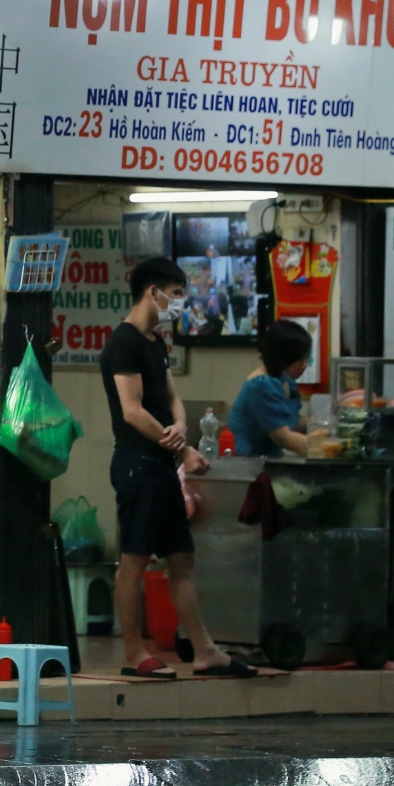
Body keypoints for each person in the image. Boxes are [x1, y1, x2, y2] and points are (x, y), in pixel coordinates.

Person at [99, 256, 257, 680]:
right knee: (133, 560)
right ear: (154, 292)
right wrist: (184, 448)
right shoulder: (124, 343)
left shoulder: (155, 343)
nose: (182, 303)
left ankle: (204, 650)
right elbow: (132, 412)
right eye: (178, 294)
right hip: (137, 464)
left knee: (181, 560)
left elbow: (170, 397)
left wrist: (182, 423)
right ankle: (133, 652)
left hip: (162, 465)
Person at [230, 320, 313, 457]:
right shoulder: (261, 385)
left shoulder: (284, 380)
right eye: (300, 360)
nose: (304, 365)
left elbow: (292, 421)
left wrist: (327, 424)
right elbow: (283, 438)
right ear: (283, 358)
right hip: (249, 462)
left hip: (271, 458)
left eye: (306, 359)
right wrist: (324, 449)